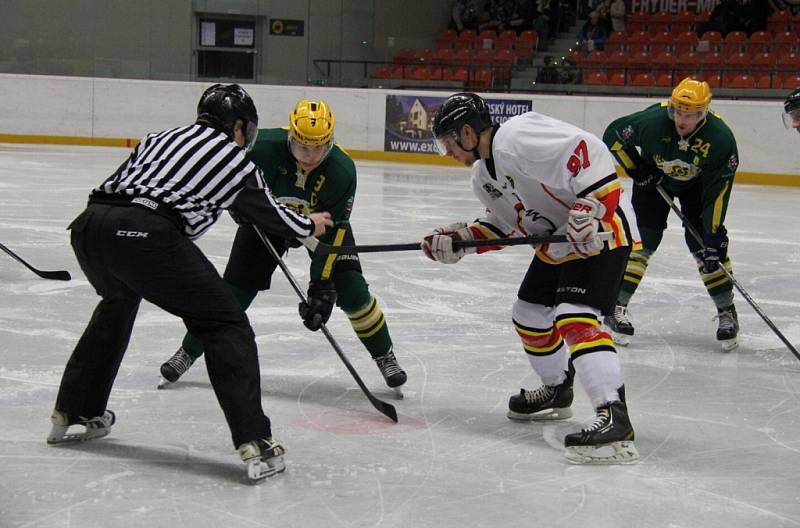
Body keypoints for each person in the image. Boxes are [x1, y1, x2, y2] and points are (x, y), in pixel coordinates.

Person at [46, 84, 333, 481]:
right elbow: (272, 216)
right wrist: (310, 224)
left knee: (117, 302)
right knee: (225, 324)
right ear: (237, 127)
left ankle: (75, 409)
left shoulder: (158, 139)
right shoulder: (233, 159)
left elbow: (142, 186)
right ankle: (255, 441)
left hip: (91, 227)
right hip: (147, 234)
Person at [422, 92, 641, 464]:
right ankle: (558, 389)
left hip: (598, 233)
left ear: (469, 133)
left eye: (449, 143)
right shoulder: (482, 177)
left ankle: (614, 418)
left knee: (574, 315)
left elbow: (592, 151)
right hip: (560, 241)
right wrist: (462, 241)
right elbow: (507, 226)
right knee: (528, 313)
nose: (449, 153)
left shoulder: (517, 136)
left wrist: (590, 207)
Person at [159, 99, 407, 393]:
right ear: (291, 137)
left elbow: (334, 230)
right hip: (268, 224)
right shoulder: (259, 148)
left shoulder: (342, 171)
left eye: (319, 148)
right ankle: (188, 351)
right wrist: (237, 203)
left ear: (330, 142)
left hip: (321, 226)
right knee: (232, 295)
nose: (310, 156)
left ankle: (384, 354)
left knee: (353, 291)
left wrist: (321, 285)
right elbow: (226, 177)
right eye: (303, 147)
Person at [602, 77, 740, 351]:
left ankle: (727, 311)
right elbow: (613, 136)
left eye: (689, 115)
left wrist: (714, 232)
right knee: (643, 241)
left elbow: (718, 190)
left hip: (697, 188)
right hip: (655, 183)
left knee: (705, 248)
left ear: (703, 113)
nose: (682, 120)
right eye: (678, 112)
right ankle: (616, 306)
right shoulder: (652, 121)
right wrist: (638, 169)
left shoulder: (720, 139)